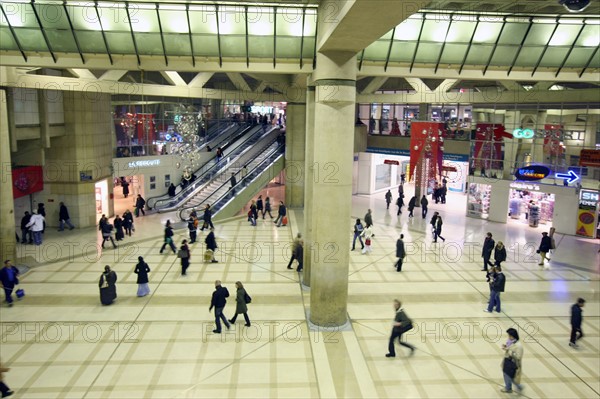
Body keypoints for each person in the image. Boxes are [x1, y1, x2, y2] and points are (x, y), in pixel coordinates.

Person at [500, 328, 524, 394]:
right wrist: (506, 347)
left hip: (512, 364)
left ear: (514, 336)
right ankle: (517, 387)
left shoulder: (519, 346)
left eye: (510, 336)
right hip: (507, 361)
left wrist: (508, 351)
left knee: (509, 376)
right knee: (509, 375)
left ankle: (509, 388)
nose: (509, 337)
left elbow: (518, 356)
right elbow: (510, 348)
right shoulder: (511, 342)